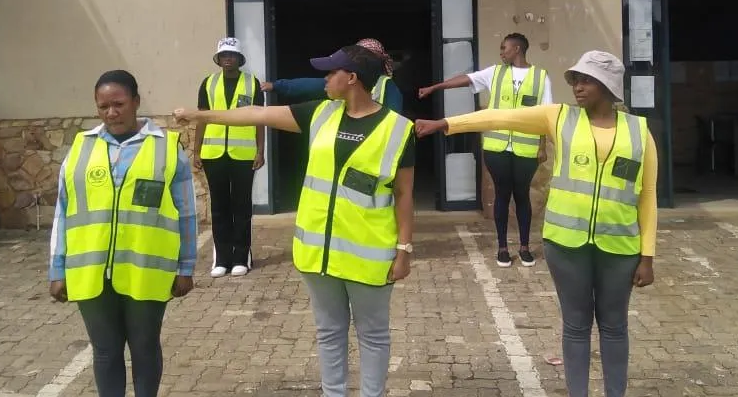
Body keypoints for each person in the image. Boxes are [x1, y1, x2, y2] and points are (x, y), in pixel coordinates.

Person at [175, 44, 414, 397]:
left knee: (373, 337)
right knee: (329, 334)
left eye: (331, 72)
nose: (325, 79)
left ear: (352, 78)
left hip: (369, 254)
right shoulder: (320, 113)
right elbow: (257, 115)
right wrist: (200, 115)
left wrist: (404, 249)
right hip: (317, 253)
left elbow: (405, 195)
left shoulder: (398, 128)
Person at [415, 50, 657, 397]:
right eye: (575, 79)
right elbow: (499, 117)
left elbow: (647, 196)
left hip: (619, 248)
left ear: (608, 86)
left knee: (614, 329)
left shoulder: (639, 132)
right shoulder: (558, 118)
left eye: (586, 80)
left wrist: (647, 256)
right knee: (576, 327)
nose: (577, 86)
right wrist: (446, 124)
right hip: (566, 244)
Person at [48, 70, 196, 397]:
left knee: (145, 346)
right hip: (90, 269)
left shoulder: (166, 148)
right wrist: (57, 267)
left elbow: (186, 213)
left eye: (118, 104)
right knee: (105, 350)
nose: (111, 112)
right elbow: (63, 210)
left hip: (146, 268)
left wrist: (185, 266)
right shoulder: (81, 147)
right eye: (103, 106)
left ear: (136, 101)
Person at [418, 32, 552, 268]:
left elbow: (546, 115)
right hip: (496, 148)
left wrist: (542, 147)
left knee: (522, 196)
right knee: (502, 195)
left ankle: (524, 247)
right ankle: (502, 247)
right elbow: (465, 79)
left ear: (517, 49)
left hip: (526, 149)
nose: (501, 53)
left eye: (504, 48)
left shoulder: (541, 77)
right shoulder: (495, 73)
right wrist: (436, 87)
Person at [194, 37, 264, 278]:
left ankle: (241, 257)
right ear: (218, 59)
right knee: (219, 206)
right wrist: (197, 150)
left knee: (241, 207)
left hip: (243, 155)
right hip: (214, 154)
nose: (228, 59)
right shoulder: (208, 83)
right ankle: (222, 259)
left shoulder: (252, 83)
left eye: (232, 55)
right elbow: (202, 118)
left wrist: (260, 150)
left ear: (239, 58)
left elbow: (259, 119)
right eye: (224, 55)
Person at [262, 37, 404, 113]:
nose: (327, 78)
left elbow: (392, 126)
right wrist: (276, 86)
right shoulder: (336, 86)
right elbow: (309, 85)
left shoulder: (387, 87)